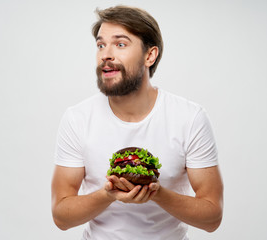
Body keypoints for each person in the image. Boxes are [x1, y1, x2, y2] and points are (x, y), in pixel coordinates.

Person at [51, 5, 223, 240]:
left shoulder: (189, 118)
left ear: (149, 56)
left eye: (120, 44)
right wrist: (108, 194)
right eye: (101, 45)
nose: (105, 54)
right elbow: (61, 216)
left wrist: (157, 192)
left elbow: (212, 217)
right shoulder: (77, 118)